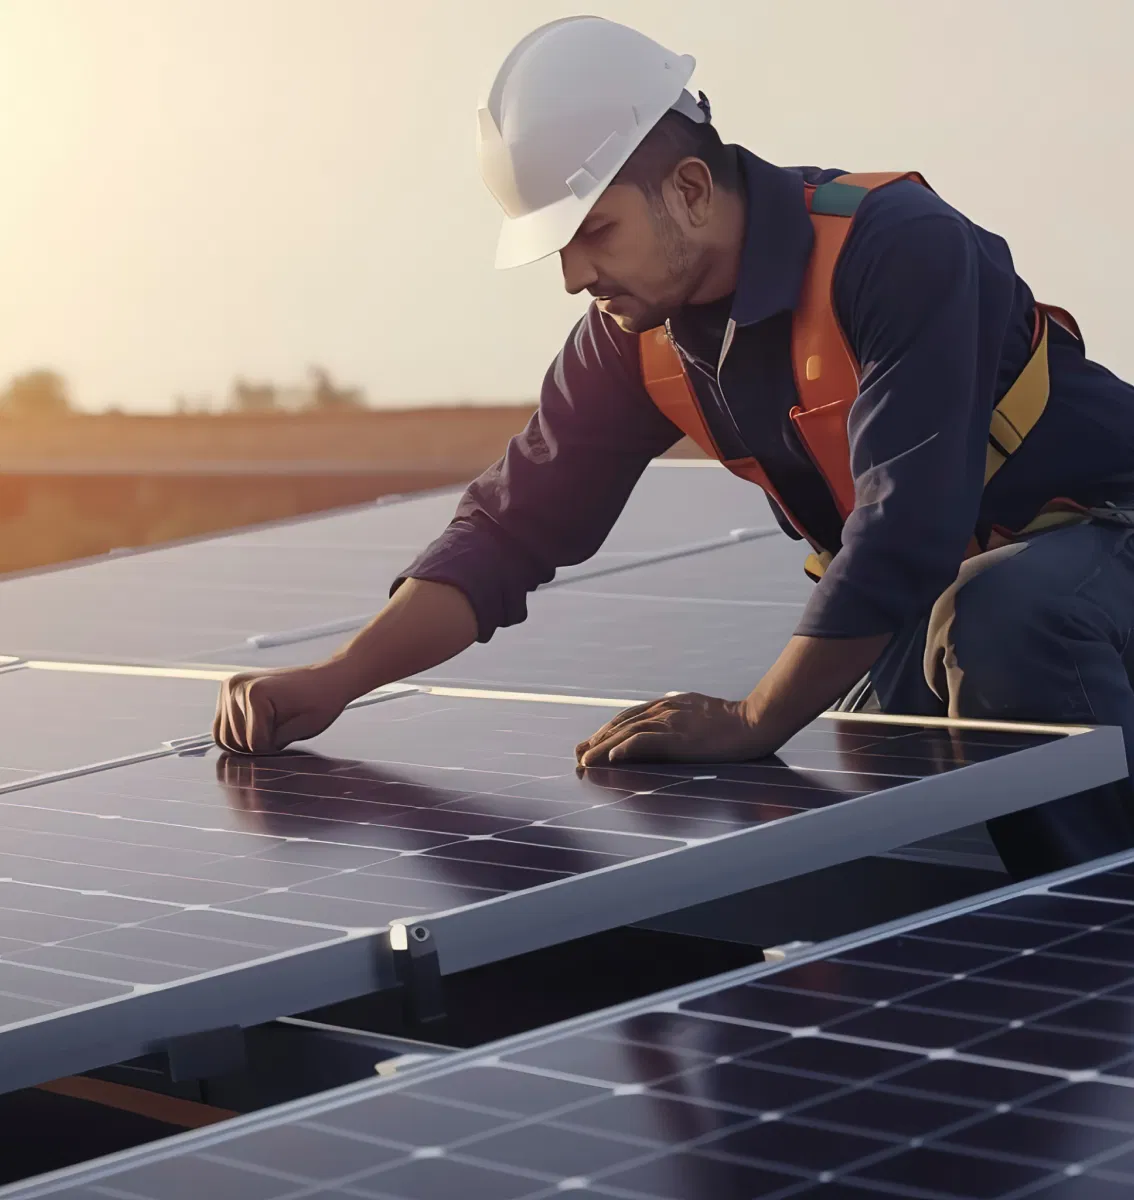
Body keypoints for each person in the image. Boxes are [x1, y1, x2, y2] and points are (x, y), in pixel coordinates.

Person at [214, 16, 1134, 879]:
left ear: (690, 190)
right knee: (864, 791)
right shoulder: (634, 335)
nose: (573, 274)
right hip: (946, 591)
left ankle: (1102, 943)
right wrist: (340, 678)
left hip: (1102, 535)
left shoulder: (896, 250)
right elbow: (508, 530)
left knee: (1002, 619)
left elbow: (906, 532)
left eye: (594, 231)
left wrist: (754, 716)